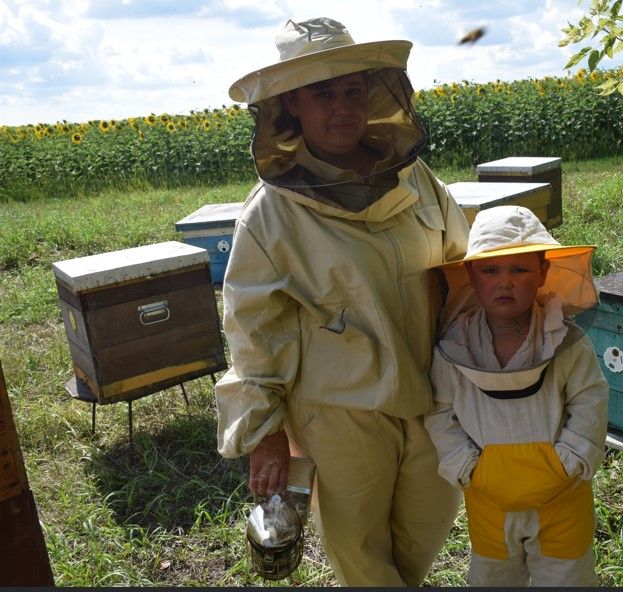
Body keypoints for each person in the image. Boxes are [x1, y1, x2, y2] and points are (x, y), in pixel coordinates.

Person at [213, 17, 470, 586]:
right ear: (290, 106)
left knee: (421, 536)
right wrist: (266, 431)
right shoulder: (272, 212)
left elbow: (461, 269)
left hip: (435, 394)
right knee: (360, 553)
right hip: (339, 410)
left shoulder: (417, 179)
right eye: (322, 92)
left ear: (375, 93)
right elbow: (253, 327)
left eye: (353, 89)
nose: (342, 107)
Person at [425, 205, 609, 587]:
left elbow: (589, 399)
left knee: (567, 580)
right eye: (491, 270)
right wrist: (465, 466)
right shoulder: (455, 347)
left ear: (542, 273)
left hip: (562, 497)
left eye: (519, 269)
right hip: (489, 500)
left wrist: (571, 460)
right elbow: (440, 411)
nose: (504, 282)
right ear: (471, 276)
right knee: (494, 580)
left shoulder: (564, 341)